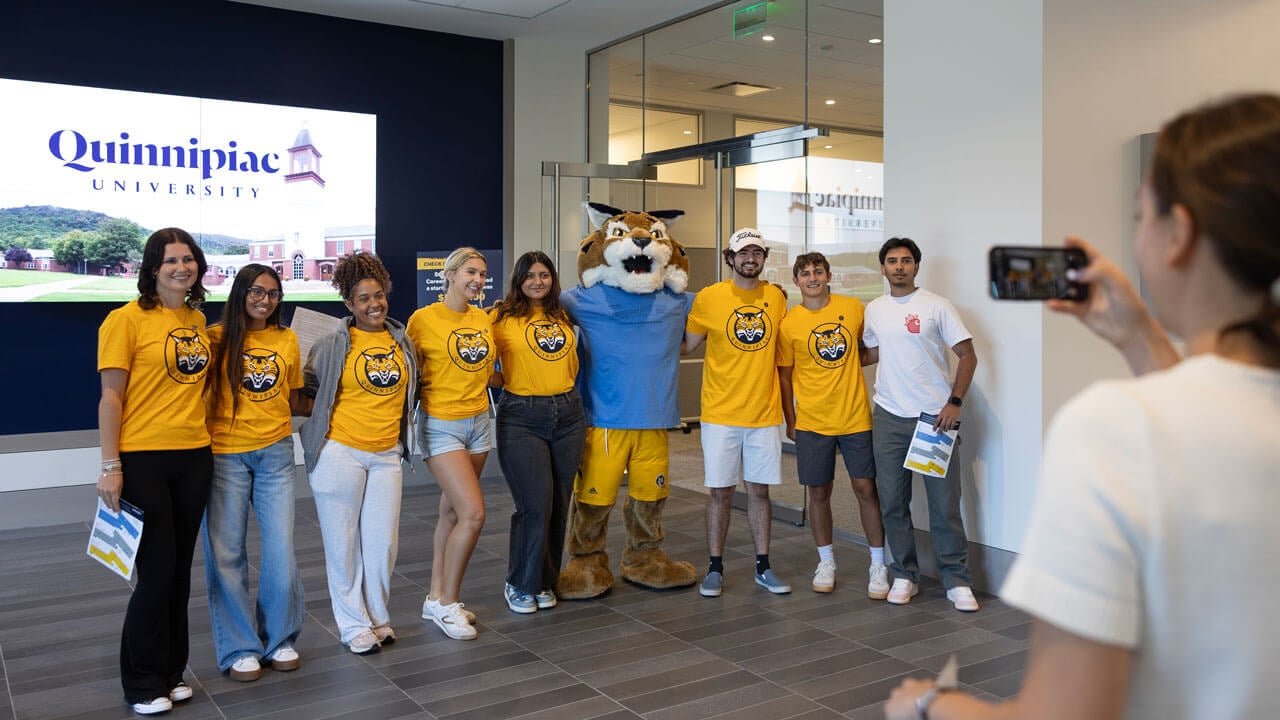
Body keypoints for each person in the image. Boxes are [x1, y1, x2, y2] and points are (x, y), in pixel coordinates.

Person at [885, 93, 1280, 720]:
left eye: (1138, 216)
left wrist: (930, 704)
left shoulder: (1113, 429)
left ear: (1179, 235)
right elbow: (1215, 428)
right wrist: (1140, 336)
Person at [97, 227, 213, 715]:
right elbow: (111, 397)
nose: (181, 267)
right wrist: (110, 465)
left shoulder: (197, 318)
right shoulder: (124, 321)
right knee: (155, 573)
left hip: (194, 457)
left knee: (180, 572)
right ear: (152, 268)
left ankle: (171, 671)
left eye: (188, 259)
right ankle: (143, 681)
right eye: (170, 260)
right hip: (142, 458)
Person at [300, 251, 416, 655]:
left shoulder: (402, 340)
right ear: (349, 304)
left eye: (379, 295)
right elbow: (310, 390)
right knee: (343, 544)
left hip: (387, 454)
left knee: (383, 543)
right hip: (340, 452)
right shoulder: (332, 343)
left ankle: (378, 617)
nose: (374, 304)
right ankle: (352, 623)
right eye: (364, 298)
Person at [862, 237, 980, 612]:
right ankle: (905, 575)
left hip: (934, 420)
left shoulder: (936, 306)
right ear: (882, 268)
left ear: (916, 266)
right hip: (889, 417)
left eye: (906, 261)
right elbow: (874, 351)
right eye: (892, 261)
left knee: (943, 505)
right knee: (893, 503)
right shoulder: (875, 309)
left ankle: (956, 580)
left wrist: (954, 403)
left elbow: (968, 355)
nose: (899, 266)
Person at [202, 264, 306, 682]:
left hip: (276, 453)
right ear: (240, 292)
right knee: (227, 554)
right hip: (224, 455)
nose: (266, 300)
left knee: (280, 551)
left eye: (274, 293)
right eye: (257, 291)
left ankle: (279, 638)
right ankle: (239, 647)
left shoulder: (288, 338)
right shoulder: (214, 339)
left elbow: (294, 397)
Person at [683, 227, 791, 597]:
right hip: (720, 413)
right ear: (730, 258)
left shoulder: (776, 298)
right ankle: (715, 567)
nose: (750, 259)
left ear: (764, 259)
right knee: (720, 493)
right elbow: (687, 346)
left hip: (763, 413)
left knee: (760, 492)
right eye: (743, 253)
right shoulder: (709, 298)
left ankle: (763, 565)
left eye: (757, 253)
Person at [777, 252, 889, 597]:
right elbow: (784, 376)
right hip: (812, 420)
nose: (812, 278)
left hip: (855, 417)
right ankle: (826, 561)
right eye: (805, 273)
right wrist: (791, 421)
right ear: (796, 281)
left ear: (829, 276)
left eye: (818, 272)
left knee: (866, 490)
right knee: (819, 493)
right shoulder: (789, 324)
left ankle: (878, 565)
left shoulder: (854, 308)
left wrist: (852, 365)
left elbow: (873, 348)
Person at [488, 251, 586, 614]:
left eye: (544, 275)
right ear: (518, 280)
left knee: (560, 503)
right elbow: (479, 361)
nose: (537, 282)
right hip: (521, 417)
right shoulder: (500, 316)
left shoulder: (562, 314)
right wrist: (505, 382)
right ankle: (519, 582)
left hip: (568, 414)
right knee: (534, 505)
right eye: (530, 276)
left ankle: (545, 579)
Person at [407, 246, 494, 640]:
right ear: (450, 275)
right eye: (470, 272)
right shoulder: (423, 319)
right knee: (474, 513)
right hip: (441, 425)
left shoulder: (483, 318)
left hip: (479, 423)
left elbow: (484, 370)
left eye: (481, 274)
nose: (476, 280)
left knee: (453, 514)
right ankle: (448, 604)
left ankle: (434, 596)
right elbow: (408, 373)